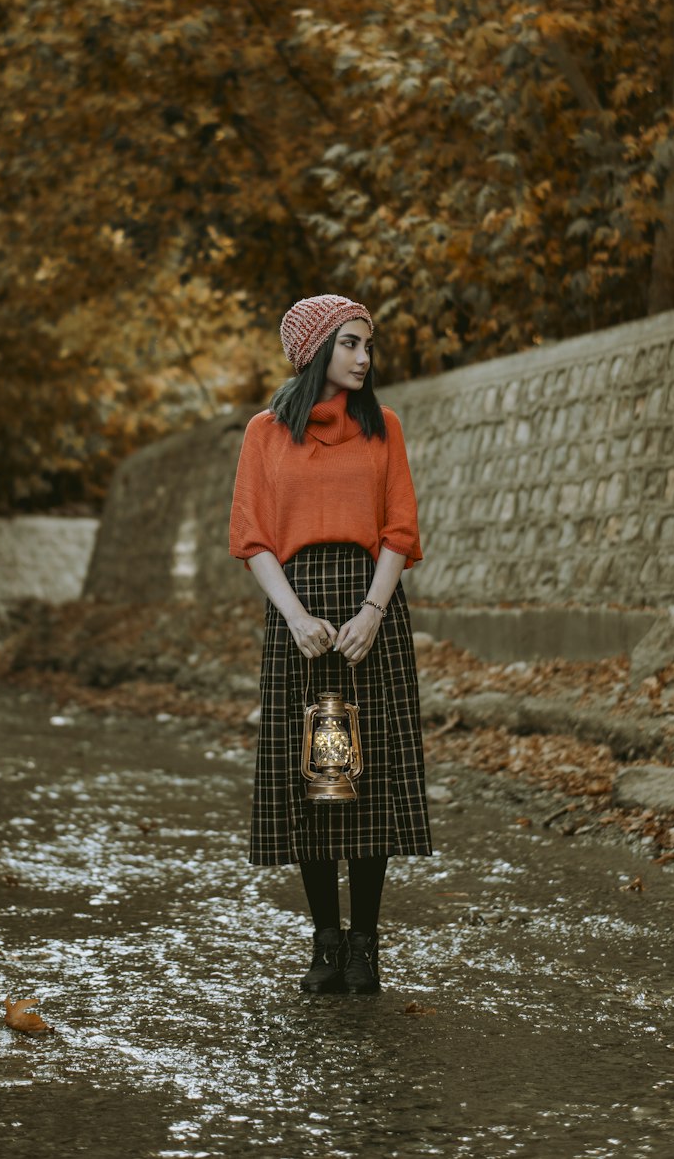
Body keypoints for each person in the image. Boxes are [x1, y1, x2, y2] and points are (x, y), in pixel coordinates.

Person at [229, 294, 432, 994]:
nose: (364, 358)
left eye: (368, 345)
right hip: (298, 607)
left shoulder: (384, 428)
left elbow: (399, 530)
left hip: (371, 604)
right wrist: (292, 615)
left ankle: (365, 948)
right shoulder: (264, 433)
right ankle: (324, 942)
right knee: (316, 777)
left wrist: (374, 611)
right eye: (350, 344)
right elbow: (252, 538)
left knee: (366, 778)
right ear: (315, 349)